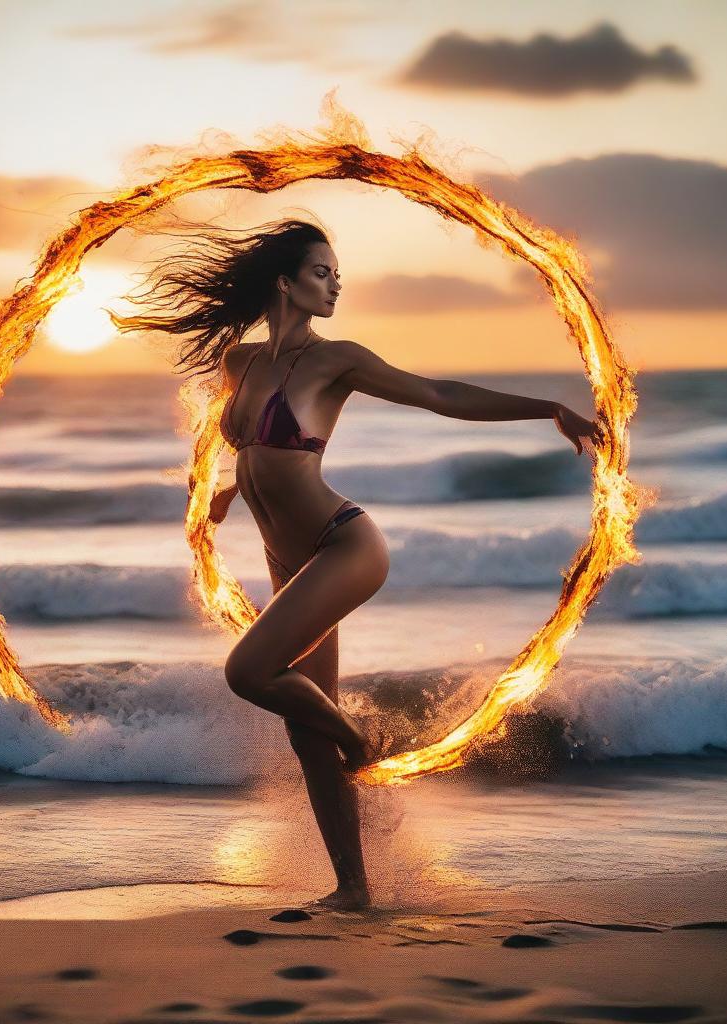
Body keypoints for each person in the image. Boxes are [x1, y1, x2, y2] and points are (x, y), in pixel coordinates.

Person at [113, 217, 603, 910]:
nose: (336, 284)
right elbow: (260, 449)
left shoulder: (336, 358)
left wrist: (549, 408)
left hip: (346, 545)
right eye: (322, 272)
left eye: (338, 274)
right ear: (284, 282)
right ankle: (354, 890)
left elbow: (440, 394)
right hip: (286, 559)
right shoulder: (240, 363)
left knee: (248, 672)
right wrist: (228, 489)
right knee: (304, 732)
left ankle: (361, 738)